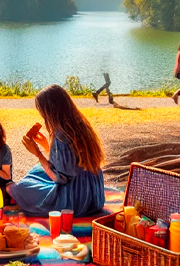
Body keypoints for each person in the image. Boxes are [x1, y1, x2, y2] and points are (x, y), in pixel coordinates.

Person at [7, 84, 106, 217]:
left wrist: (37, 153)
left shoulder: (61, 136)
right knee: (37, 170)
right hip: (94, 194)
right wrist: (46, 145)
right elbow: (69, 163)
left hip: (76, 200)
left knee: (20, 188)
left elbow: (59, 178)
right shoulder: (80, 125)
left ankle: (20, 195)